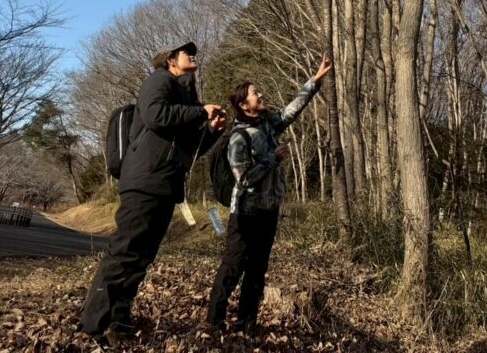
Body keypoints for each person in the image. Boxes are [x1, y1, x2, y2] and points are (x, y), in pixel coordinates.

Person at [80, 41, 226, 341]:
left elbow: (189, 150)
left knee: (141, 257)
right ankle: (92, 325)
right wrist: (200, 113)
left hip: (165, 184)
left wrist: (212, 130)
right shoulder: (159, 80)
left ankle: (118, 322)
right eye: (187, 52)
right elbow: (155, 114)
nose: (193, 55)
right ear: (172, 60)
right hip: (144, 180)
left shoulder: (185, 95)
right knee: (124, 252)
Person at [207, 54, 333, 334]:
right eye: (255, 93)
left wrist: (314, 81)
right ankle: (214, 322)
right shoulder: (239, 136)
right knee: (233, 267)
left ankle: (246, 324)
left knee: (257, 270)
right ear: (243, 104)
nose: (260, 94)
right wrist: (272, 159)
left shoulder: (268, 125)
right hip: (245, 212)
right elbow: (244, 179)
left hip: (268, 211)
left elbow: (292, 110)